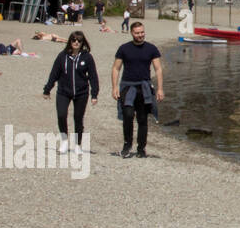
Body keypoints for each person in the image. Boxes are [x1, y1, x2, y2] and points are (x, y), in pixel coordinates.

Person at [110, 22, 164, 158]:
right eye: (137, 33)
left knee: (142, 119)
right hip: (127, 87)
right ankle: (127, 146)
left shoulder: (151, 49)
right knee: (127, 116)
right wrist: (114, 87)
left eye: (142, 32)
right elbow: (116, 68)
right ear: (132, 33)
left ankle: (141, 149)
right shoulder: (124, 48)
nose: (140, 35)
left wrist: (160, 89)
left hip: (144, 87)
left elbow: (158, 69)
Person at [42, 31, 98, 155]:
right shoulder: (62, 56)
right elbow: (54, 74)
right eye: (74, 40)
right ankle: (64, 140)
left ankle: (77, 144)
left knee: (78, 118)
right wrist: (47, 89)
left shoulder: (87, 57)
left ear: (83, 42)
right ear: (70, 41)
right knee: (61, 115)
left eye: (79, 40)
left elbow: (93, 76)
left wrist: (94, 94)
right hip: (63, 91)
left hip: (81, 92)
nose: (76, 42)